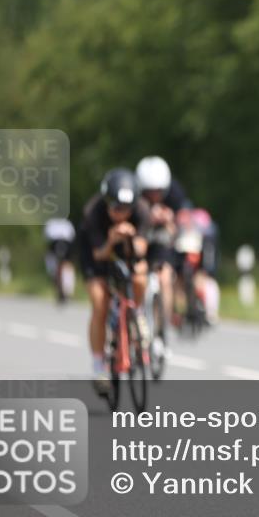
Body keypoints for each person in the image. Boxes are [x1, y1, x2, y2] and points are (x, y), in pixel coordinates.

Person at [78, 168, 150, 391]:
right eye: (117, 209)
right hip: (96, 255)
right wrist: (111, 240)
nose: (122, 214)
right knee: (100, 303)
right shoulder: (94, 212)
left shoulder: (142, 211)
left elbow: (141, 250)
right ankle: (99, 365)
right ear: (107, 203)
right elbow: (99, 253)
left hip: (125, 251)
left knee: (139, 278)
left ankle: (135, 314)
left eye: (127, 210)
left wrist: (131, 237)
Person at [136, 156, 190, 347]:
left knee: (166, 278)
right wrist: (147, 218)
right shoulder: (134, 196)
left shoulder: (175, 195)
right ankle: (138, 319)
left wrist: (170, 221)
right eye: (149, 192)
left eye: (158, 191)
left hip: (162, 241)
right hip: (141, 240)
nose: (154, 196)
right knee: (138, 276)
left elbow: (184, 224)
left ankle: (161, 328)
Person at [44, 218, 77, 302]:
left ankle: (66, 289)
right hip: (57, 246)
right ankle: (63, 287)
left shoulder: (53, 223)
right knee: (57, 267)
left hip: (64, 246)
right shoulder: (55, 223)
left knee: (66, 265)